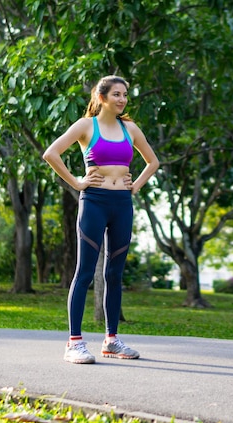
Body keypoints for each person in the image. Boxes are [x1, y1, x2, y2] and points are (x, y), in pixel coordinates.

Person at [43, 75, 159, 364]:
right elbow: (51, 153)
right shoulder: (86, 126)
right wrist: (77, 182)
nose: (122, 99)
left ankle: (112, 340)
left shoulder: (130, 129)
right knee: (84, 272)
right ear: (102, 96)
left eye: (125, 94)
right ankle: (74, 343)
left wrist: (136, 185)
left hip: (122, 204)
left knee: (114, 275)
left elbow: (153, 161)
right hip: (94, 202)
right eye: (117, 94)